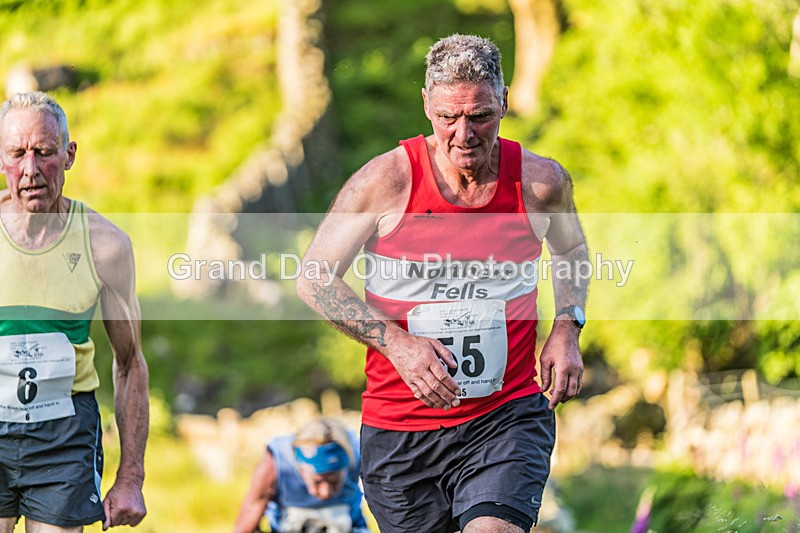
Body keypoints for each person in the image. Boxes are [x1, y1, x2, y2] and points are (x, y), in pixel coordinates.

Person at [296, 34, 588, 533]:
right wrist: (399, 345)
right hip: (401, 429)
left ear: (505, 103)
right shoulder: (384, 181)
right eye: (447, 117)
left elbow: (572, 251)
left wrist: (567, 325)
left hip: (506, 416)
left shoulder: (541, 183)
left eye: (480, 116)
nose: (463, 134)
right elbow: (314, 278)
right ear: (426, 105)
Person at [0, 91, 149, 531]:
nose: (31, 170)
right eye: (17, 153)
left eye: (44, 153)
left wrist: (130, 477)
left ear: (69, 155)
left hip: (64, 434)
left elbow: (130, 364)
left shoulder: (106, 245)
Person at [233, 418, 369, 533]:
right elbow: (245, 526)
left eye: (334, 481)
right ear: (301, 469)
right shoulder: (275, 465)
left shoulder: (359, 452)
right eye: (317, 482)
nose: (325, 493)